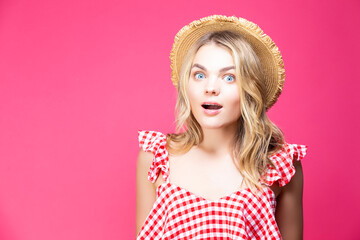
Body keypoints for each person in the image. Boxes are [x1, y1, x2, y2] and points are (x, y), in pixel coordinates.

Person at [136, 15, 308, 240]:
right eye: (199, 75)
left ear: (250, 89)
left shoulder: (281, 165)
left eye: (229, 77)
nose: (210, 88)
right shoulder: (155, 158)